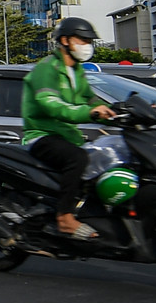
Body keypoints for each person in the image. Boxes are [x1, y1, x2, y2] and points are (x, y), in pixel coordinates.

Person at [19, 16, 117, 240]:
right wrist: (89, 113)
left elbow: (91, 100)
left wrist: (117, 113)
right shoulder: (47, 69)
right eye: (82, 40)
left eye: (89, 41)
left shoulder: (77, 71)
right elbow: (51, 104)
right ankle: (64, 217)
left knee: (106, 157)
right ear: (64, 41)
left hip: (67, 136)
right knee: (78, 158)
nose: (87, 46)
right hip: (42, 135)